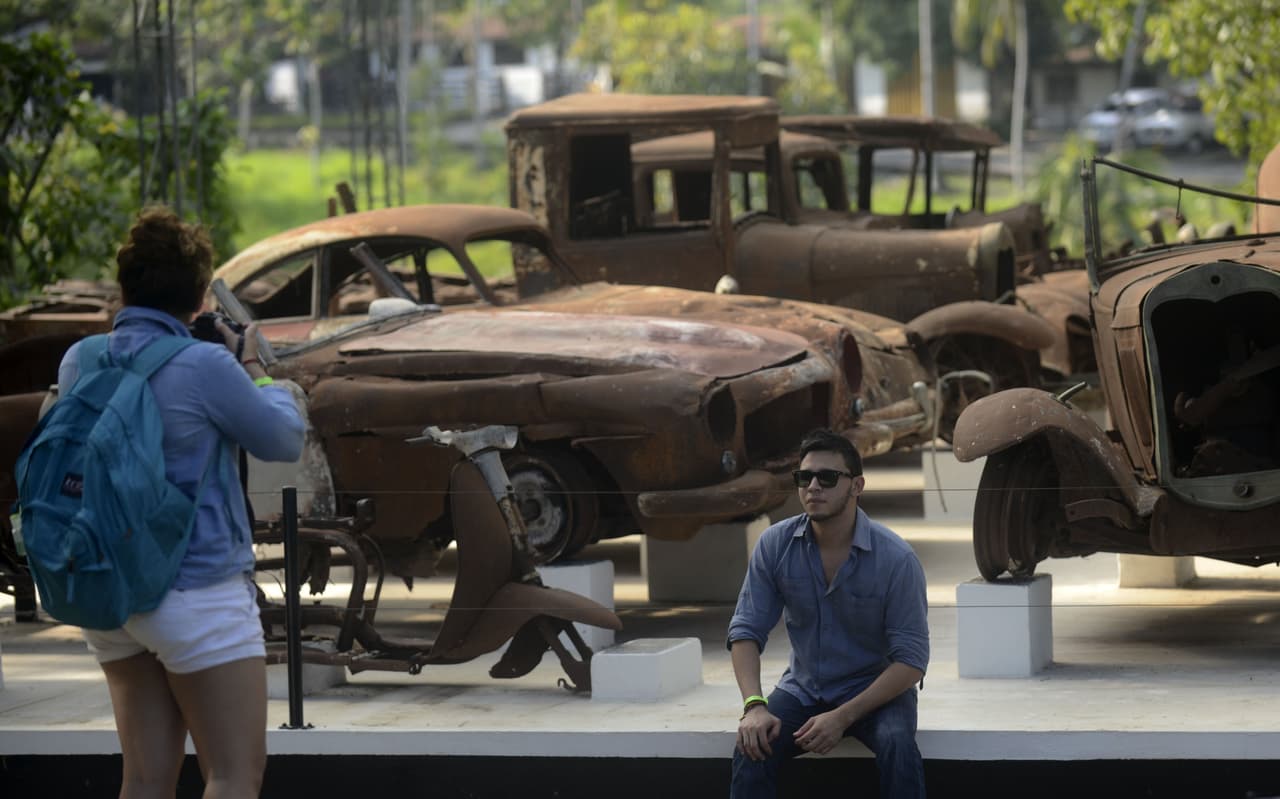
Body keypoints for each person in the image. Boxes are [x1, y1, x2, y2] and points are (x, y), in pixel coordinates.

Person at [57, 207, 305, 799]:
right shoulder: (206, 364)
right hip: (196, 595)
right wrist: (254, 366)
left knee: (144, 780)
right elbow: (282, 438)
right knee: (232, 774)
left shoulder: (81, 360)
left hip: (111, 594)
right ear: (199, 295)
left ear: (126, 286)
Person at [728, 428, 929, 798]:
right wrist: (754, 705)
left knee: (897, 744)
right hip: (803, 691)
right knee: (752, 746)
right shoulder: (775, 545)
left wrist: (843, 717)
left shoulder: (897, 559)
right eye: (804, 478)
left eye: (828, 477)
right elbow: (745, 630)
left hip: (877, 693)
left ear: (857, 486)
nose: (813, 487)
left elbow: (912, 661)